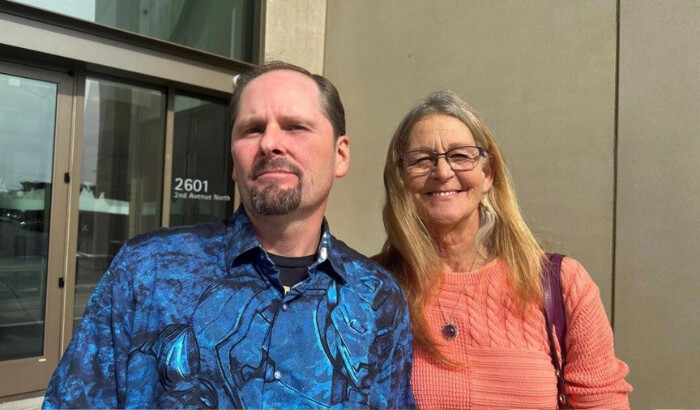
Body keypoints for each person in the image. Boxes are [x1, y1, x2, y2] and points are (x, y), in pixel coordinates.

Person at [43, 61, 415, 409]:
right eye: (252, 129)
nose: (269, 143)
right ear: (235, 163)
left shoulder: (378, 299)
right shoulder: (145, 272)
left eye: (295, 126)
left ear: (340, 155)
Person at [374, 90, 632, 409]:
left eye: (460, 156)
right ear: (400, 178)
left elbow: (602, 402)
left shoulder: (562, 284)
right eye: (422, 160)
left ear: (487, 174)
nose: (442, 173)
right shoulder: (366, 289)